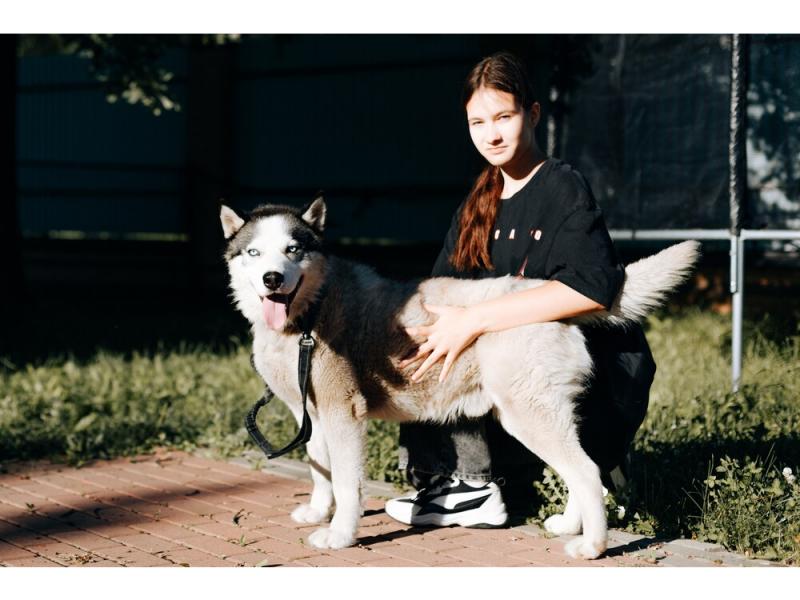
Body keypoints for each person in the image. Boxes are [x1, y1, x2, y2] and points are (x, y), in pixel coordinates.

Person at [385, 51, 656, 528]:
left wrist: (474, 320)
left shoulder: (562, 186)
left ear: (532, 114)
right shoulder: (478, 201)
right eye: (477, 122)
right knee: (425, 339)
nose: (491, 134)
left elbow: (591, 290)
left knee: (470, 337)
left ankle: (498, 480)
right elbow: (442, 295)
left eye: (503, 117)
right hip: (512, 375)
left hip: (589, 369)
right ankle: (462, 477)